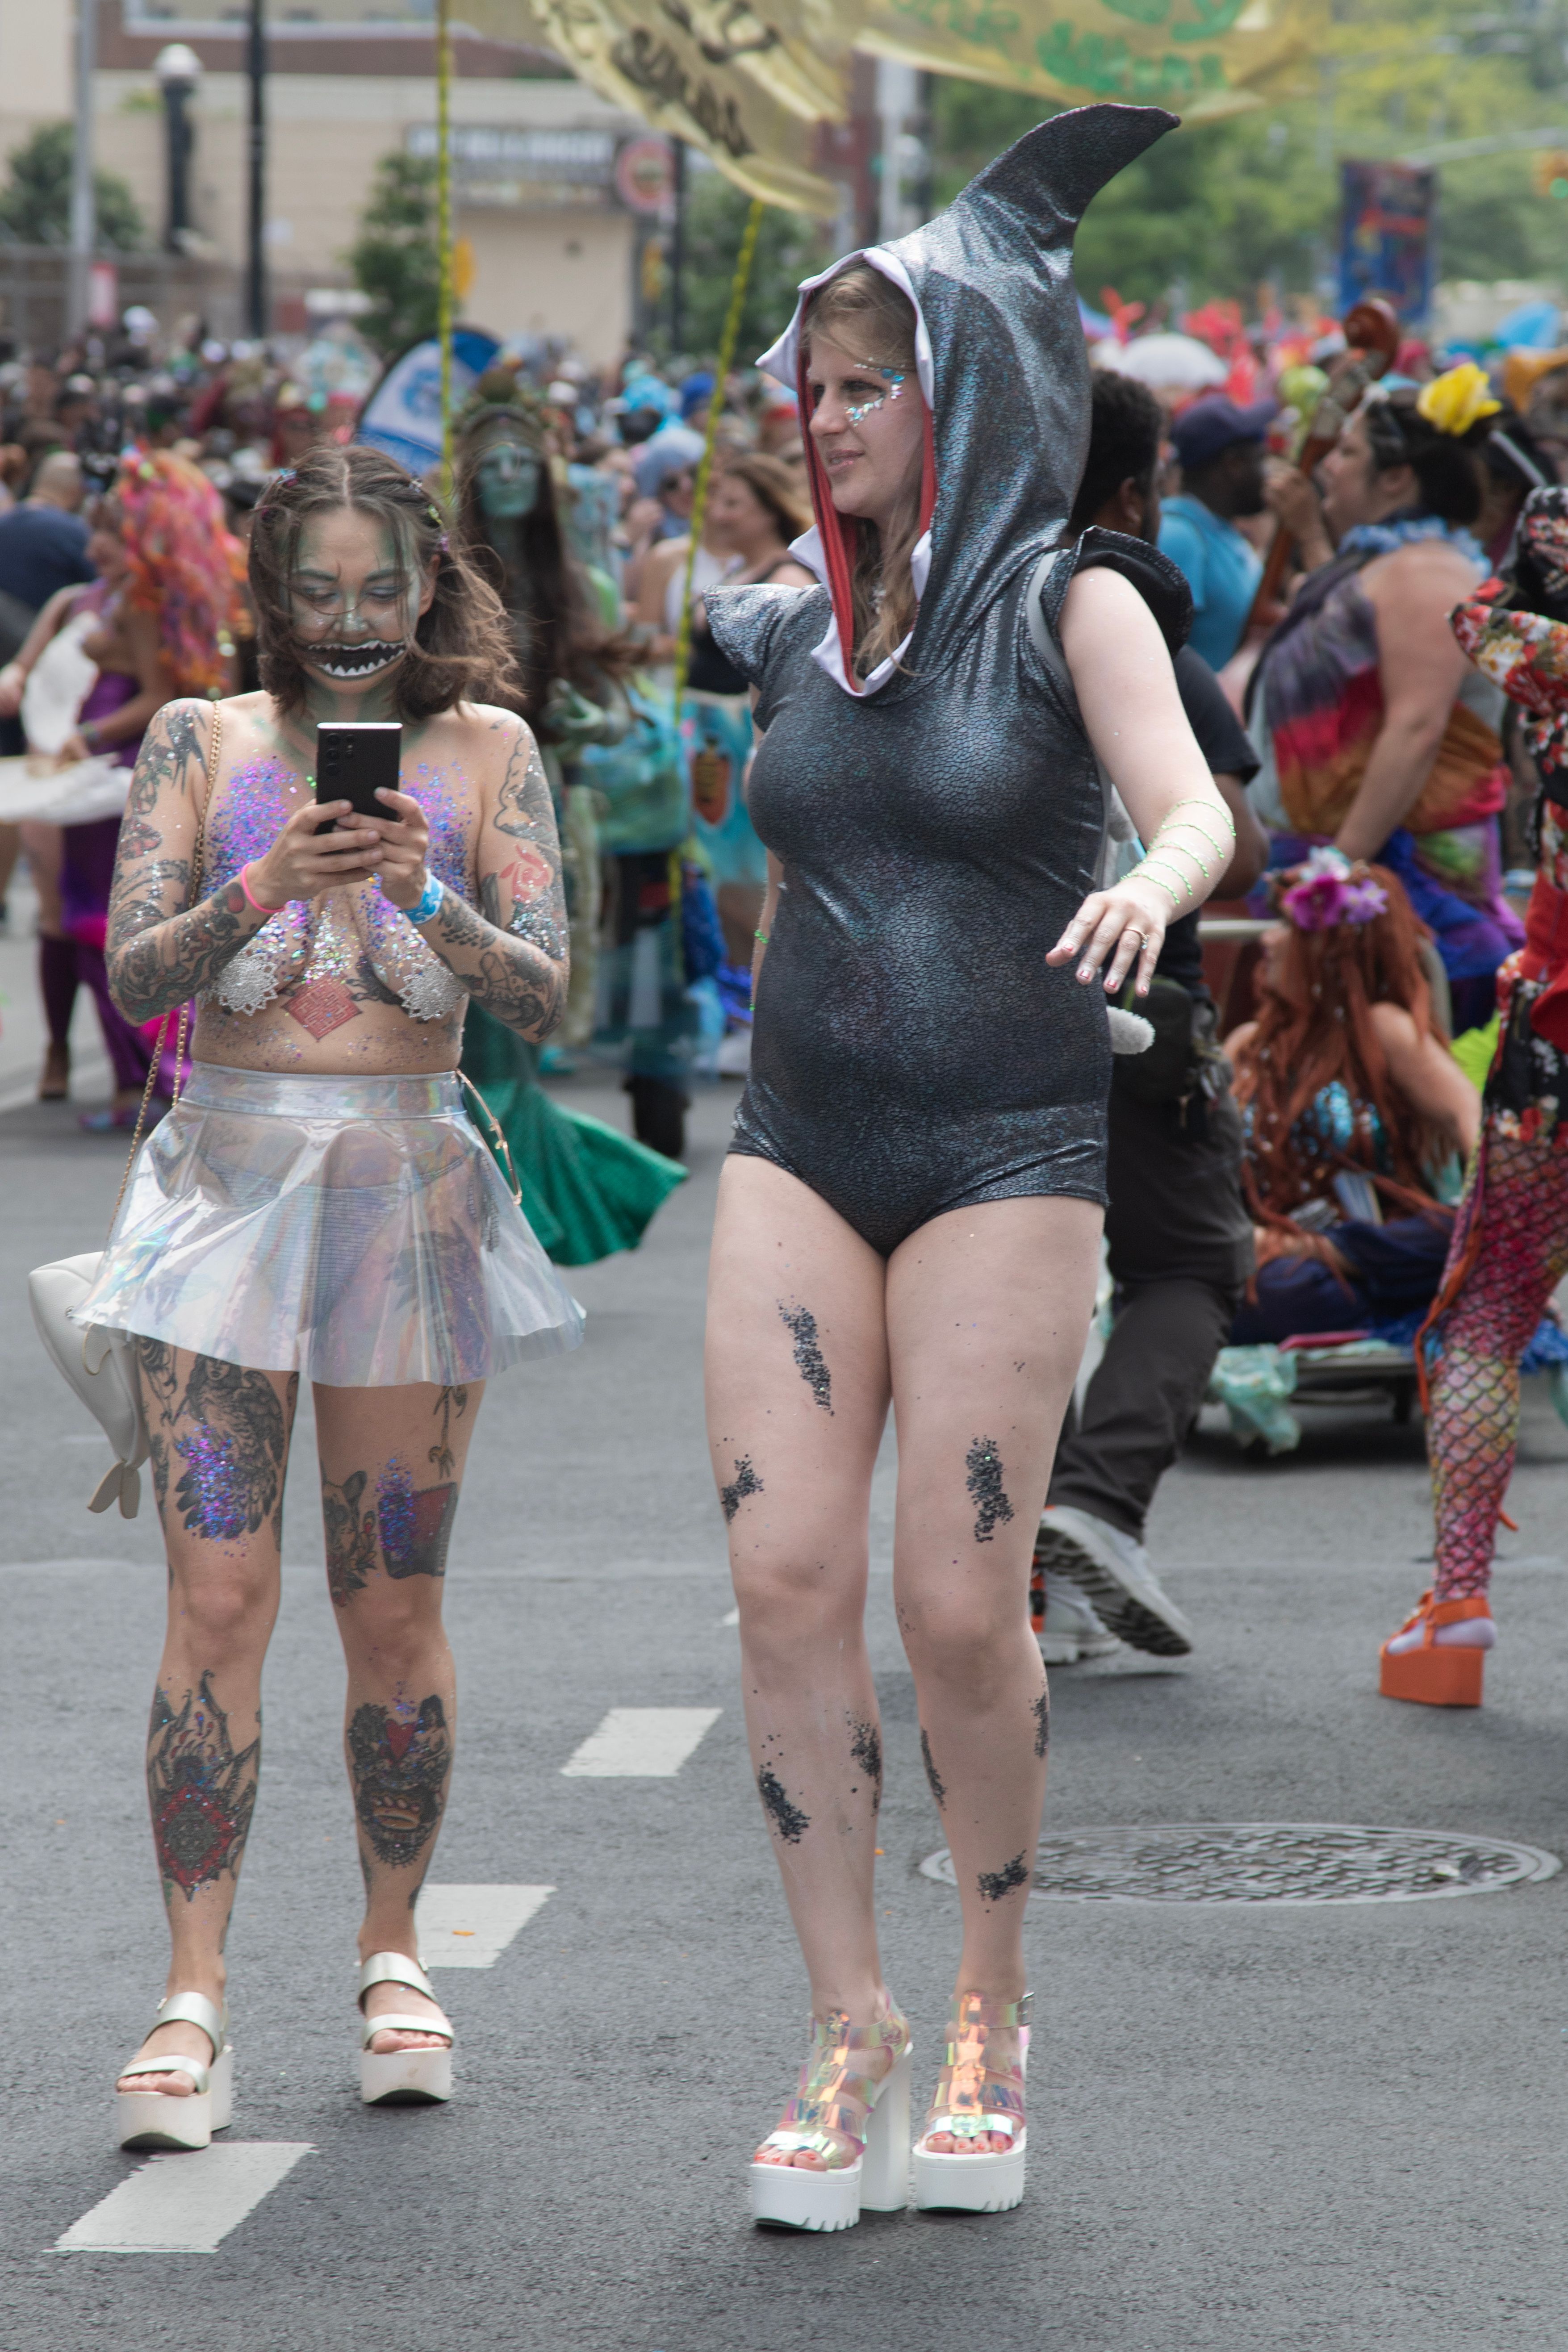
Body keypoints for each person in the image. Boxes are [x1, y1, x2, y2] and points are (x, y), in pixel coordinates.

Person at [701, 102, 1235, 2231]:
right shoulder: (788, 626)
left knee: (951, 1603)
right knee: (779, 1585)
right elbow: (799, 867)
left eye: (865, 384)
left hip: (1013, 1140)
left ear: (970, 388)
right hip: (798, 1143)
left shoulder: (1067, 600)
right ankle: (847, 2036)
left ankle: (987, 2006)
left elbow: (1190, 809)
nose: (821, 421)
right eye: (808, 387)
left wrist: (1153, 888)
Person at [85, 442, 581, 2154]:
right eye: (319, 589)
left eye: (385, 587)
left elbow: (546, 993)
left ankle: (391, 1954)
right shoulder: (197, 741)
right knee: (217, 1595)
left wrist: (418, 891)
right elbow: (136, 968)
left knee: (390, 1608)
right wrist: (264, 884)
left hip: (407, 1200)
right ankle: (192, 1987)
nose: (353, 621)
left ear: (430, 583)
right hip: (222, 1196)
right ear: (272, 593)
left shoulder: (490, 750)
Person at [1034, 370, 1268, 1663]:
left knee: (1003, 1289)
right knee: (1185, 1263)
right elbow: (1225, 841)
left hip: (962, 1008)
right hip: (1130, 1008)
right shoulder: (1152, 650)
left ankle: (1035, 1555)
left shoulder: (950, 630)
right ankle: (1090, 1502)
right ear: (1131, 495)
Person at [1380, 484, 1568, 1706]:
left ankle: (1453, 1606)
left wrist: (1541, 543)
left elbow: (1477, 620)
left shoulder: (1548, 664)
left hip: (1552, 1039)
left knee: (1488, 1315)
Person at [451, 372, 686, 1256]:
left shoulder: (578, 575)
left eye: (524, 459)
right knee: (469, 1006)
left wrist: (599, 720)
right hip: (453, 809)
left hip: (549, 804)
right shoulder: (442, 577)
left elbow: (615, 704)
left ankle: (514, 1199)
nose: (510, 472)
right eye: (493, 460)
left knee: (521, 1006)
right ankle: (493, 1198)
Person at [1248, 368, 1524, 1035]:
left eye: (1347, 453)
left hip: (1386, 867)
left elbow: (1414, 726)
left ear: (1395, 477)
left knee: (1383, 1067)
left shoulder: (1424, 570)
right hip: (1349, 856)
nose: (1328, 467)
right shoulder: (1392, 564)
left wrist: (1335, 871)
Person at [0, 453, 246, 1118]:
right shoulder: (106, 594)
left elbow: (159, 695)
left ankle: (162, 1077)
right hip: (93, 778)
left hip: (115, 779)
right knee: (92, 926)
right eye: (96, 528)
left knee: (109, 927)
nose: (96, 543)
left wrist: (93, 733)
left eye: (113, 529)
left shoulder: (143, 599)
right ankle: (141, 1081)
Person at [1225, 854, 1480, 1348]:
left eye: (1284, 926)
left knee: (1465, 1234)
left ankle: (1337, 1262)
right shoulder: (1246, 1045)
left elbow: (1466, 1114)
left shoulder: (1381, 1029)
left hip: (1376, 1240)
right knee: (1276, 1288)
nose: (1267, 939)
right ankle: (1386, 1291)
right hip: (1274, 1256)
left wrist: (1483, 1207)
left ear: (1330, 948)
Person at [686, 454, 814, 966]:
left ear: (768, 511)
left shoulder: (787, 580)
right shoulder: (741, 570)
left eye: (734, 503)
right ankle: (739, 991)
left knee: (748, 872)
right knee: (717, 868)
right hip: (708, 738)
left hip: (742, 740)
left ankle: (757, 988)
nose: (719, 513)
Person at [1157, 395, 1277, 670]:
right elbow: (1158, 656)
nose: (1267, 475)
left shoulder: (1223, 531)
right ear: (1233, 465)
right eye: (1260, 461)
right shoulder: (1180, 537)